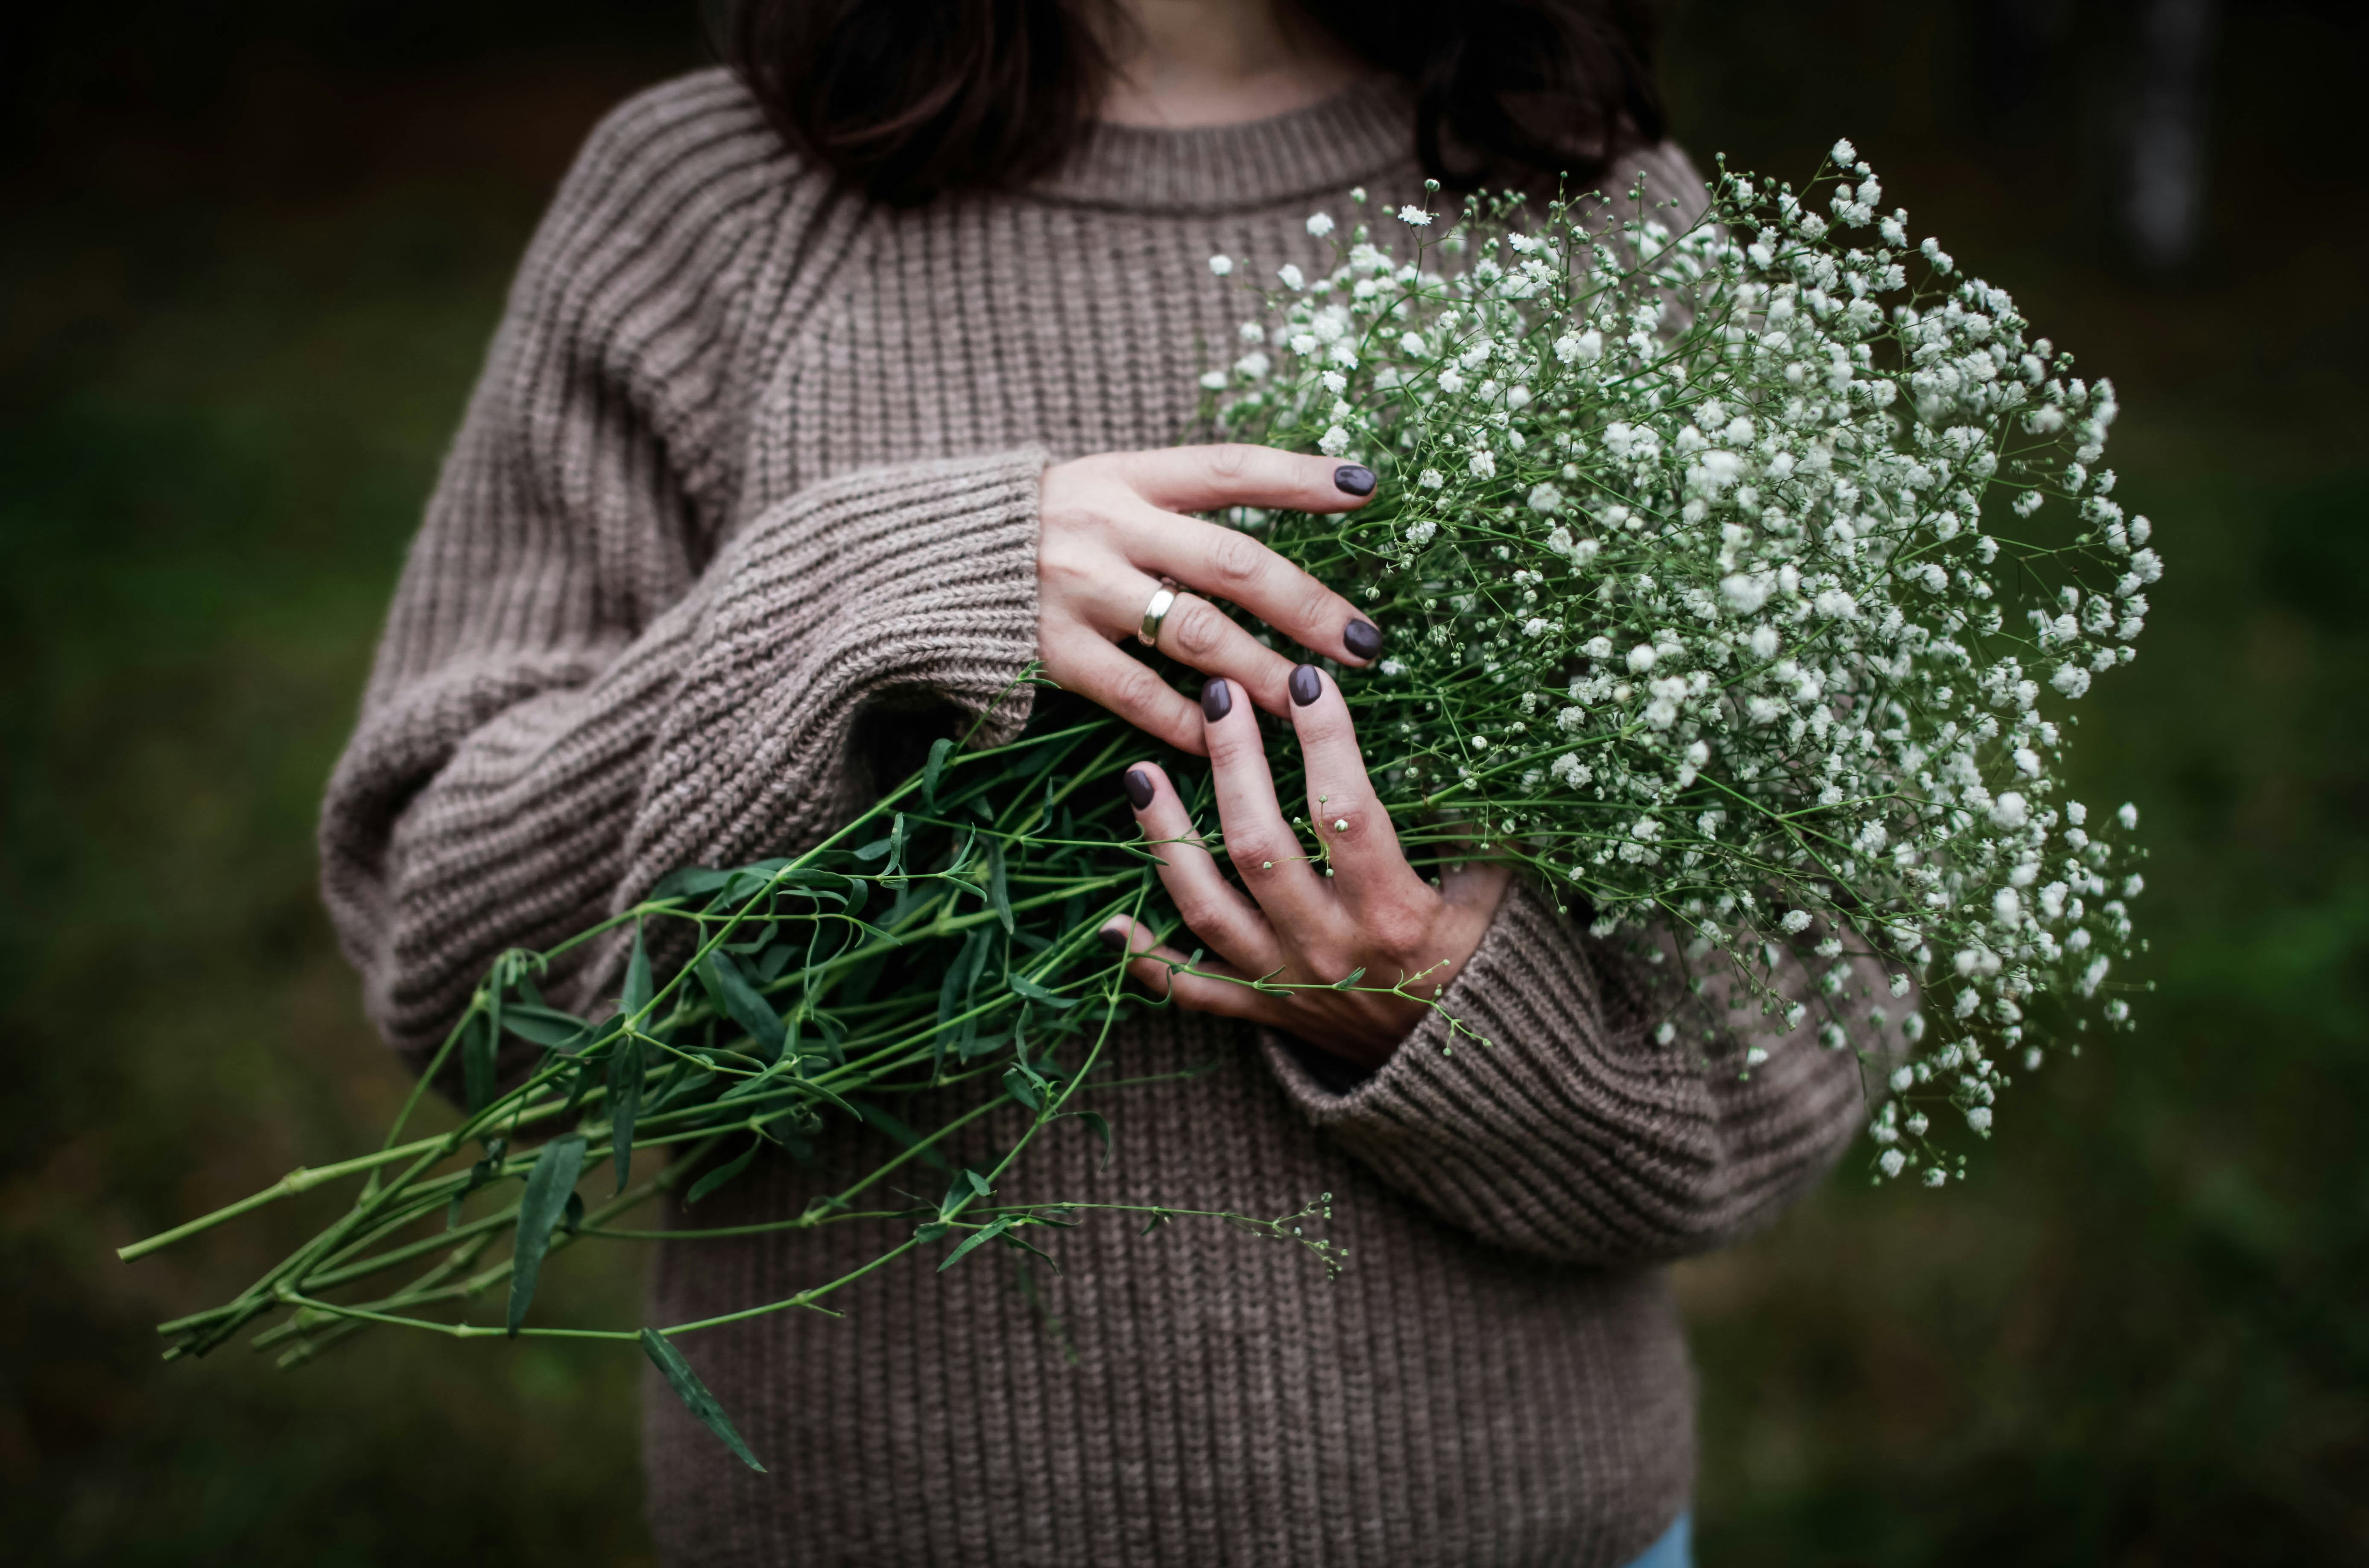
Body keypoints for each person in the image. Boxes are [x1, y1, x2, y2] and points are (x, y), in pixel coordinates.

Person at [319, 3, 1872, 1562]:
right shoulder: (709, 200)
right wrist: (874, 600)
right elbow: (459, 968)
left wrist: (1458, 1009)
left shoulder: (1591, 199)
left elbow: (1809, 1012)